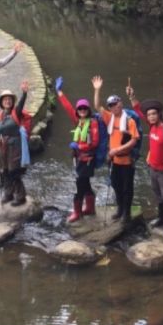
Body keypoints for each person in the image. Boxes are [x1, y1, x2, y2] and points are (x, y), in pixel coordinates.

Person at [126, 81, 163, 240]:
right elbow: (138, 110)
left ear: (159, 114)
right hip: (153, 168)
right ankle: (161, 219)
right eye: (149, 114)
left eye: (154, 114)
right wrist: (132, 96)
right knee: (158, 195)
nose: (151, 116)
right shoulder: (151, 126)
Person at [55, 77, 102, 223]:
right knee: (85, 183)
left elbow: (94, 142)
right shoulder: (78, 122)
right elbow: (68, 107)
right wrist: (59, 92)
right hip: (79, 159)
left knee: (79, 185)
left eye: (84, 108)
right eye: (80, 109)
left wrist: (79, 146)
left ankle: (77, 212)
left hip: (87, 159)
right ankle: (90, 208)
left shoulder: (93, 123)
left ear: (88, 110)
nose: (82, 110)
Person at [93, 76, 139, 222]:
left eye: (117, 103)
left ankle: (127, 213)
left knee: (127, 188)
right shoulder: (109, 117)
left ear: (121, 103)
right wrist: (97, 90)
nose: (115, 106)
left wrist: (117, 150)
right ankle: (120, 210)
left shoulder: (129, 120)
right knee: (116, 186)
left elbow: (134, 140)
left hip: (126, 161)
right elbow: (96, 106)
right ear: (110, 108)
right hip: (114, 161)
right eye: (112, 105)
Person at [0, 85, 30, 206]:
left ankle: (20, 196)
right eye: (5, 100)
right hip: (3, 146)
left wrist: (24, 93)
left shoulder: (16, 112)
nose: (7, 101)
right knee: (5, 171)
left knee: (14, 171)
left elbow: (21, 104)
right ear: (1, 102)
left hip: (15, 146)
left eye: (9, 99)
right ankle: (8, 193)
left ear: (12, 101)